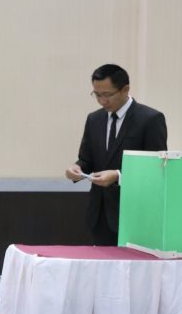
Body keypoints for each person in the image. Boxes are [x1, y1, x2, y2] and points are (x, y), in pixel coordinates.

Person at [65, 64, 167, 246]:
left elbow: (157, 170)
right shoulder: (94, 119)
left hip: (135, 215)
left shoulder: (150, 119)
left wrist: (119, 176)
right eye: (97, 94)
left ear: (125, 89)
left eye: (107, 94)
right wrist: (76, 168)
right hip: (99, 215)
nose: (102, 101)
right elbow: (86, 159)